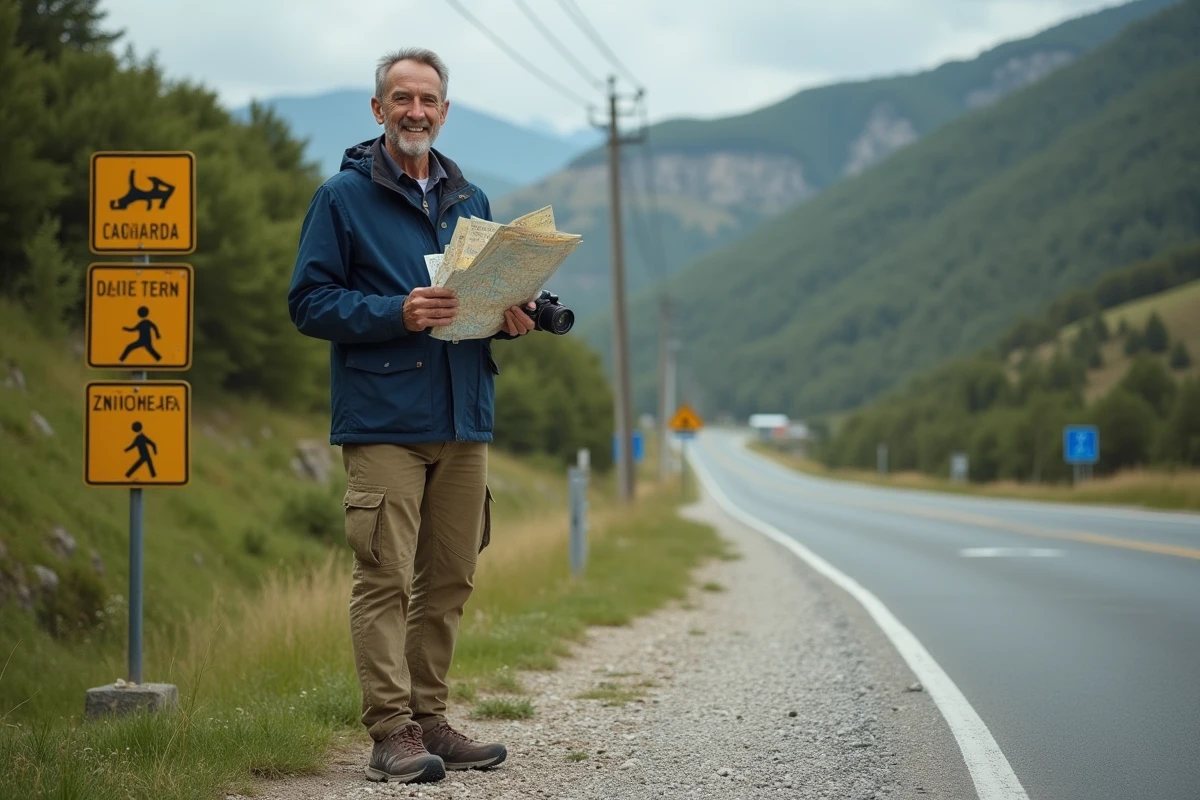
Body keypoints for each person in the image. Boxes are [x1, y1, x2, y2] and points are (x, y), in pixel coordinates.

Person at [287, 47, 541, 786]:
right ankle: (389, 732)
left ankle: (430, 719)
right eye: (401, 98)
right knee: (385, 577)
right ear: (378, 110)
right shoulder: (340, 198)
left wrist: (507, 317)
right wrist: (396, 311)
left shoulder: (473, 201)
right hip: (382, 419)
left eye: (428, 99)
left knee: (451, 576)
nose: (416, 111)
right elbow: (308, 304)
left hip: (464, 418)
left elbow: (476, 303)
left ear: (445, 110)